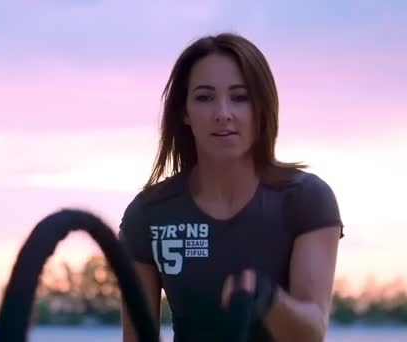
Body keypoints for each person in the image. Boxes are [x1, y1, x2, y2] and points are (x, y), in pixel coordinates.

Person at [118, 32, 343, 342]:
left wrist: (266, 297)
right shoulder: (148, 213)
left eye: (240, 97)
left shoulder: (306, 199)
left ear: (261, 108)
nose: (223, 113)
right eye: (204, 97)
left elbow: (311, 334)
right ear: (184, 112)